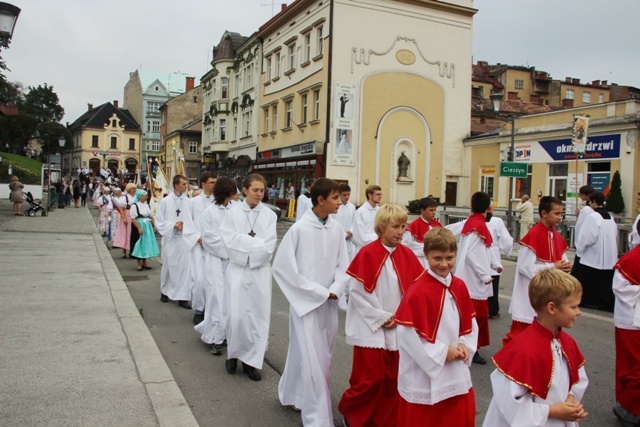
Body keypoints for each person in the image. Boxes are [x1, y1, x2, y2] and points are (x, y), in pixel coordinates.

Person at [338, 204, 425, 427]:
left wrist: (401, 316)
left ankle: (383, 421)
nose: (401, 231)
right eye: (395, 226)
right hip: (371, 326)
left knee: (392, 379)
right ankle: (353, 415)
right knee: (370, 379)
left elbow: (416, 291)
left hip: (397, 324)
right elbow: (357, 293)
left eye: (403, 226)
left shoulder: (407, 254)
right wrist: (381, 317)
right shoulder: (367, 253)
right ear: (382, 226)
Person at [273, 178, 350, 426]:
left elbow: (343, 265)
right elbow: (284, 269)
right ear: (320, 200)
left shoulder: (336, 229)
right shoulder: (299, 230)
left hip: (328, 302)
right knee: (313, 358)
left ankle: (293, 393)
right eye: (335, 198)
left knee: (318, 354)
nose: (340, 202)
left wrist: (336, 289)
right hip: (306, 303)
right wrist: (318, 292)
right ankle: (318, 417)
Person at [483, 268, 588, 427]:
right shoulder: (524, 349)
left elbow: (577, 379)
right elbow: (508, 403)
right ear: (552, 308)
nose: (578, 312)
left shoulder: (567, 342)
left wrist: (572, 398)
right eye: (573, 307)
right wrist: (551, 412)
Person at [395, 228, 479, 427]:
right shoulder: (417, 291)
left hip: (456, 367)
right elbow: (406, 334)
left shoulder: (459, 286)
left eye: (449, 257)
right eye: (437, 258)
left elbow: (470, 324)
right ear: (426, 255)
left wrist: (463, 344)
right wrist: (441, 352)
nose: (443, 264)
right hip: (426, 372)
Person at [220, 174, 277, 381]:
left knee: (256, 317)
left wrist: (243, 243)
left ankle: (251, 361)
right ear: (245, 190)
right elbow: (228, 240)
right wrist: (253, 245)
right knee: (236, 316)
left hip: (259, 272)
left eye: (262, 190)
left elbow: (269, 246)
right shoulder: (233, 213)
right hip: (238, 269)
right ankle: (233, 354)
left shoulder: (270, 216)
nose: (259, 194)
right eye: (255, 190)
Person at [504, 196, 572, 345]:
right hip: (531, 294)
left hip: (549, 293)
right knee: (522, 337)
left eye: (561, 213)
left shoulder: (556, 236)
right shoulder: (533, 235)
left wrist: (565, 267)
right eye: (556, 213)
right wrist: (554, 267)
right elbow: (525, 268)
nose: (560, 217)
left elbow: (561, 260)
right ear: (544, 213)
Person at [455, 192, 502, 364]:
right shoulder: (478, 225)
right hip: (473, 279)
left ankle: (472, 346)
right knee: (478, 315)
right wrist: (484, 274)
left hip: (475, 278)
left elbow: (486, 249)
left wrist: (495, 264)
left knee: (478, 314)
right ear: (489, 207)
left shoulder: (476, 223)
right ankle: (470, 347)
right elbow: (472, 253)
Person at [194, 177, 237, 356]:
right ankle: (215, 338)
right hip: (216, 261)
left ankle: (227, 334)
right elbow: (209, 238)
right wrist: (229, 247)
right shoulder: (210, 212)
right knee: (216, 298)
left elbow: (239, 234)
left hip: (233, 261)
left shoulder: (236, 210)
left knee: (231, 300)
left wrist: (234, 248)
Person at [155, 174, 199, 309]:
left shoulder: (189, 202)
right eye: (184, 184)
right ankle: (165, 291)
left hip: (184, 239)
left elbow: (193, 219)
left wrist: (187, 227)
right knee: (169, 266)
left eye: (186, 184)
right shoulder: (165, 201)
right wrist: (173, 225)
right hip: (171, 239)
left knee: (185, 269)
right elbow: (159, 221)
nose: (186, 187)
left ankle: (182, 296)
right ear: (176, 185)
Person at [612, 221, 640, 427]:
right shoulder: (632, 257)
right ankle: (628, 407)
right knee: (632, 366)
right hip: (630, 320)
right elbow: (620, 287)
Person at [574, 191, 617, 312]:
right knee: (604, 282)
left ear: (593, 202)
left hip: (593, 254)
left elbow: (587, 236)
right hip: (608, 256)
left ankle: (586, 300)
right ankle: (605, 303)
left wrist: (580, 248)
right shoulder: (610, 217)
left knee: (587, 280)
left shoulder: (593, 217)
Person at [189, 172, 218, 325]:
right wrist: (197, 237)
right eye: (212, 182)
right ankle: (199, 309)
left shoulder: (219, 202)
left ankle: (210, 309)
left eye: (215, 182)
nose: (214, 184)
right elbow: (188, 223)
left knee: (213, 280)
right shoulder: (193, 202)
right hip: (198, 246)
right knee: (199, 279)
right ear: (204, 184)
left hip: (214, 247)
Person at [486, 204, 513, 319]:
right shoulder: (497, 221)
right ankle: (493, 310)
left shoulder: (471, 220)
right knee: (493, 284)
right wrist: (507, 250)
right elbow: (506, 240)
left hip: (479, 254)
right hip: (492, 252)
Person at [402, 196, 442, 267]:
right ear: (422, 210)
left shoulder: (437, 225)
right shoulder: (414, 226)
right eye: (431, 210)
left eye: (435, 210)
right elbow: (406, 245)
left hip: (436, 261)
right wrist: (427, 247)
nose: (434, 213)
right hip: (420, 261)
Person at [130, 189, 159, 270]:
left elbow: (151, 216)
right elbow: (133, 218)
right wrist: (139, 228)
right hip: (139, 225)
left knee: (146, 243)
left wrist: (155, 226)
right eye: (145, 195)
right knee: (139, 244)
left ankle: (144, 262)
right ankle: (139, 263)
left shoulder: (147, 205)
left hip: (147, 226)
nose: (147, 197)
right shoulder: (134, 205)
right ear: (140, 196)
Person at [570, 185, 595, 278]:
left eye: (581, 194)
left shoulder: (587, 209)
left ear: (587, 195)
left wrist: (577, 242)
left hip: (584, 242)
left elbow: (581, 226)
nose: (580, 196)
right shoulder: (587, 207)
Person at [329, 183, 357, 262]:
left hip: (350, 240)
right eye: (344, 195)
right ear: (339, 195)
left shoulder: (352, 207)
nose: (347, 197)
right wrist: (343, 234)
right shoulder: (334, 207)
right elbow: (332, 222)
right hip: (338, 239)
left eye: (348, 194)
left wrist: (351, 231)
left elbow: (354, 222)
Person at [351, 185, 382, 252]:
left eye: (381, 194)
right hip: (364, 248)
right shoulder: (360, 212)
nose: (380, 196)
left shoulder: (381, 211)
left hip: (379, 247)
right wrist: (376, 238)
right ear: (370, 195)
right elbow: (359, 235)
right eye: (377, 194)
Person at [113, 183, 136, 259]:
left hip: (134, 216)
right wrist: (124, 218)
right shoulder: (124, 198)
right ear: (129, 190)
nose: (134, 190)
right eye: (132, 189)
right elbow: (121, 209)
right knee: (125, 233)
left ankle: (132, 250)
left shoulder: (136, 197)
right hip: (127, 215)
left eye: (134, 189)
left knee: (132, 234)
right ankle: (124, 250)